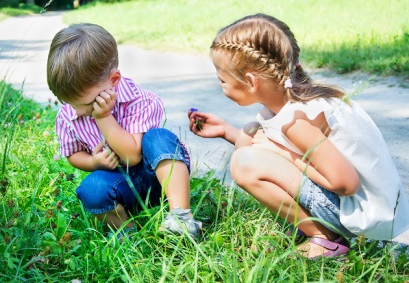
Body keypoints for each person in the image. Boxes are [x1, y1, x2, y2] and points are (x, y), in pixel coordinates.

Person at [188, 13, 409, 258]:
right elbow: (261, 138)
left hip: (362, 215)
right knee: (250, 131)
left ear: (251, 81)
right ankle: (321, 228)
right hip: (359, 207)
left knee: (243, 163)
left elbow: (345, 183)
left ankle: (326, 238)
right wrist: (228, 131)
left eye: (222, 80)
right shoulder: (298, 100)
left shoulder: (297, 121)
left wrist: (279, 151)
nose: (221, 86)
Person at [47, 23, 201, 240]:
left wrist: (103, 117)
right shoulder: (69, 114)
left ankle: (181, 218)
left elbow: (132, 155)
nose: (79, 112)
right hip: (119, 185)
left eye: (88, 104)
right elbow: (73, 154)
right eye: (70, 103)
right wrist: (93, 163)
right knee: (91, 188)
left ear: (114, 80)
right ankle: (125, 232)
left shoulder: (140, 100)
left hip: (156, 180)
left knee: (159, 138)